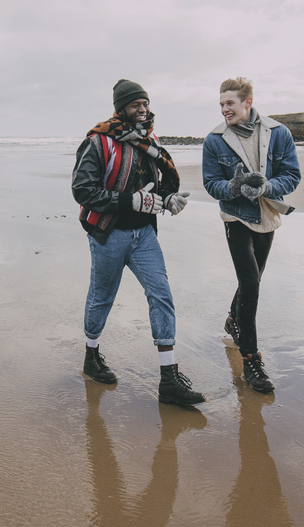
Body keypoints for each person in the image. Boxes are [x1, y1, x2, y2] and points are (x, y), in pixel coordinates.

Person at [71, 79, 201, 406]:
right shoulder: (98, 142)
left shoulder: (150, 141)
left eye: (144, 103)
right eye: (134, 105)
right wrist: (130, 202)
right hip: (109, 234)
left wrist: (169, 198)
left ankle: (169, 379)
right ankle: (91, 356)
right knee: (102, 297)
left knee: (161, 295)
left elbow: (156, 185)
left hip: (144, 235)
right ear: (121, 109)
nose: (142, 110)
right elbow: (82, 191)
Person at [202, 77, 301, 393]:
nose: (224, 109)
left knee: (254, 279)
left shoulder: (278, 134)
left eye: (229, 103)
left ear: (247, 101)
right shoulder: (215, 140)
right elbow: (210, 183)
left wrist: (267, 186)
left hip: (267, 217)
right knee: (251, 285)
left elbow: (292, 175)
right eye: (221, 105)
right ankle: (252, 363)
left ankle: (233, 319)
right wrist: (231, 187)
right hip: (235, 217)